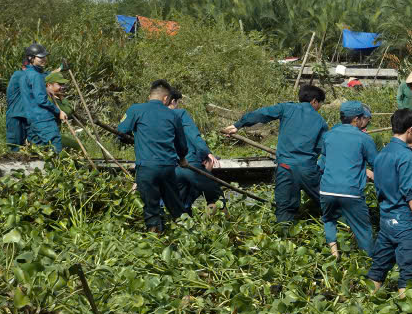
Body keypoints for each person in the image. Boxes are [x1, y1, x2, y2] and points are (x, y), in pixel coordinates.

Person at [230, 83, 327, 228]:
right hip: (308, 169)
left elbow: (262, 114)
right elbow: (321, 148)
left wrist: (238, 124)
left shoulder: (286, 108)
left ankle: (284, 237)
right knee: (327, 201)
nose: (319, 108)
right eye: (320, 104)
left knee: (284, 208)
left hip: (285, 167)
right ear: (314, 101)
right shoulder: (321, 122)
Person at [367, 109, 412, 290]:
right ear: (410, 130)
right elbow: (409, 193)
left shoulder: (381, 154)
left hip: (386, 219)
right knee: (409, 273)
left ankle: (366, 304)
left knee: (378, 268)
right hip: (403, 221)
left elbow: (379, 182)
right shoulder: (406, 156)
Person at [116, 81, 202, 232]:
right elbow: (181, 144)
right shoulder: (173, 115)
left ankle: (154, 238)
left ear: (150, 95)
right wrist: (182, 158)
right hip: (168, 168)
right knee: (175, 205)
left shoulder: (136, 110)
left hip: (147, 167)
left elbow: (122, 131)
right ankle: (189, 234)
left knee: (151, 208)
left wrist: (131, 137)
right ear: (166, 98)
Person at [318, 101, 380, 259]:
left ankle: (334, 254)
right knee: (363, 229)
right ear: (357, 119)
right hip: (350, 191)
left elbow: (322, 163)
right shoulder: (363, 138)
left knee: (329, 219)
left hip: (326, 189)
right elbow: (377, 164)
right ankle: (370, 261)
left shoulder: (329, 135)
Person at [160, 84, 222, 214]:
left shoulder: (154, 117)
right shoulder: (179, 113)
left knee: (178, 203)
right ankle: (218, 213)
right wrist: (207, 152)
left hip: (165, 166)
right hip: (186, 163)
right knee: (215, 192)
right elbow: (193, 135)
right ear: (173, 101)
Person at [4, 46, 65, 151]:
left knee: (32, 146)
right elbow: (40, 83)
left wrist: (59, 69)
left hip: (28, 116)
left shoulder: (33, 74)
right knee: (15, 146)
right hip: (16, 115)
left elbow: (44, 75)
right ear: (29, 61)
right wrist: (57, 111)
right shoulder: (19, 75)